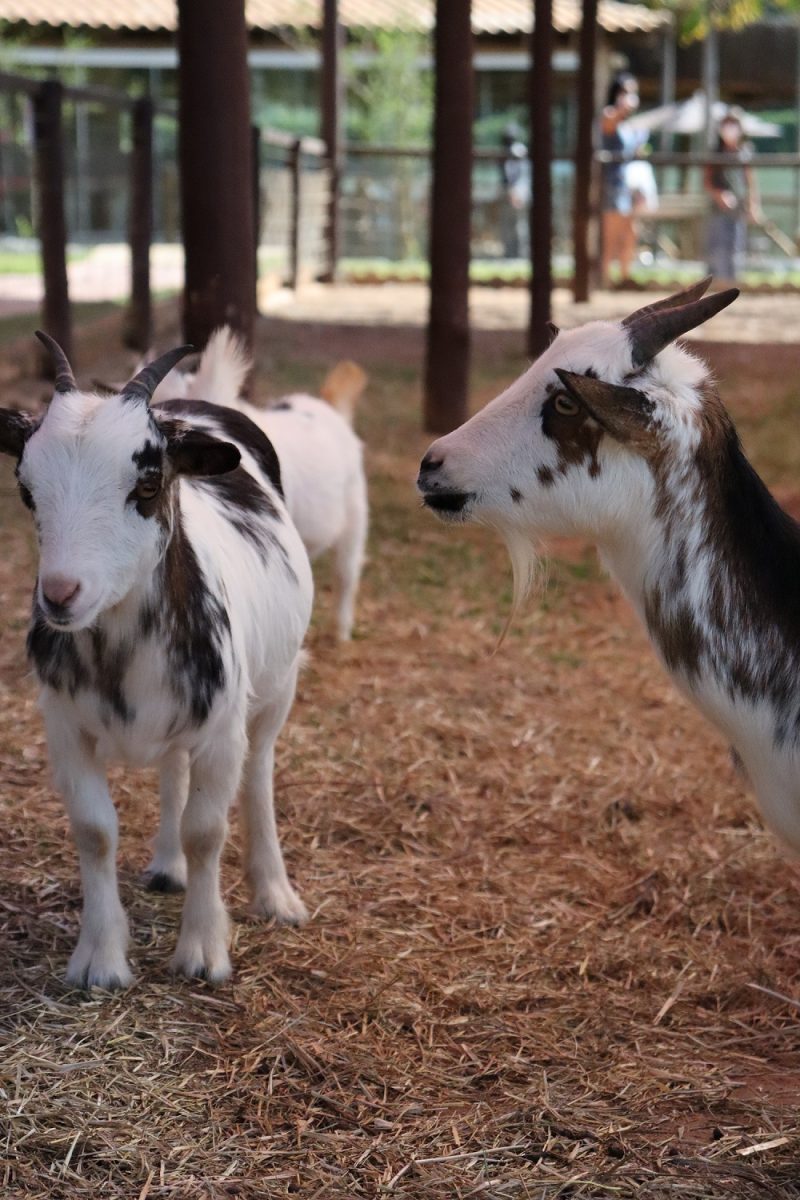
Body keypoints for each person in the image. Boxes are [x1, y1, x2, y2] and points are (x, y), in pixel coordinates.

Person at [600, 72, 647, 287]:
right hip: (612, 184)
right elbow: (608, 124)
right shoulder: (609, 114)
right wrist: (622, 108)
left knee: (630, 232)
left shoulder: (632, 124)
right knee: (611, 234)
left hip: (629, 184)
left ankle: (624, 277)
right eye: (625, 92)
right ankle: (604, 279)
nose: (629, 97)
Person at [704, 111, 761, 283]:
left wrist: (753, 205)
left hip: (739, 208)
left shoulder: (744, 152)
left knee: (736, 248)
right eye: (727, 124)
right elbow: (706, 181)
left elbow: (750, 181)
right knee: (718, 248)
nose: (730, 129)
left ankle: (732, 286)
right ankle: (718, 287)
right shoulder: (715, 152)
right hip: (717, 209)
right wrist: (719, 195)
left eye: (733, 124)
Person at [498, 125, 531, 259]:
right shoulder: (506, 151)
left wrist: (516, 192)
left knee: (520, 225)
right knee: (508, 224)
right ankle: (509, 253)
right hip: (509, 191)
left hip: (519, 192)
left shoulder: (518, 151)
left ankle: (521, 254)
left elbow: (520, 175)